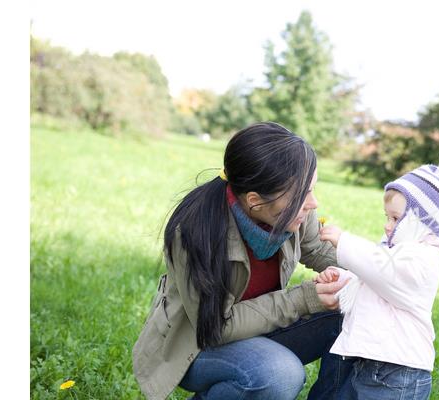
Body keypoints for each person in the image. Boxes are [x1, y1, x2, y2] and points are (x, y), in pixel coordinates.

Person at [132, 122, 351, 400]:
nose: (313, 203)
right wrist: (302, 299)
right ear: (255, 201)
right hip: (196, 346)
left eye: (312, 189)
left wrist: (378, 268)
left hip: (259, 330)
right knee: (279, 375)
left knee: (354, 306)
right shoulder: (195, 233)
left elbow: (318, 250)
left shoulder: (294, 210)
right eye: (302, 195)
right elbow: (215, 328)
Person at [316, 156, 439, 399]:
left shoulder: (423, 258)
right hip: (371, 364)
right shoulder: (397, 254)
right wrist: (341, 278)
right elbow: (374, 283)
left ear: (422, 221)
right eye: (387, 216)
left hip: (399, 374)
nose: (387, 226)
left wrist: (344, 241)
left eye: (395, 218)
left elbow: (383, 271)